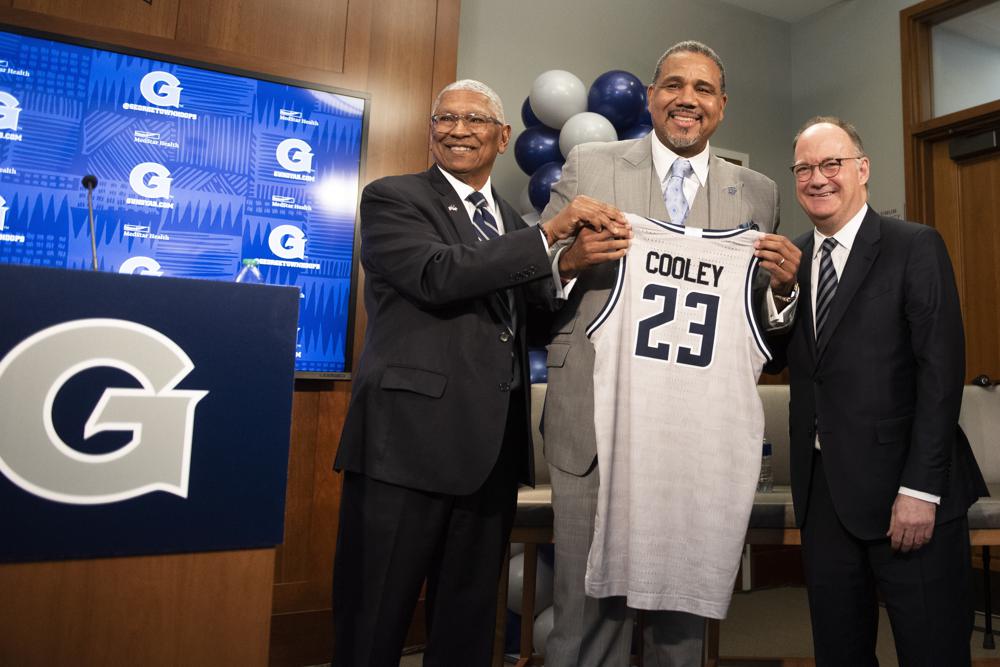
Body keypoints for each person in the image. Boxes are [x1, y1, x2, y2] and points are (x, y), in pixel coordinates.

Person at [330, 79, 629, 667]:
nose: (458, 129)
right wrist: (548, 237)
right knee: (373, 619)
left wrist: (564, 265)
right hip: (403, 450)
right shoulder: (393, 197)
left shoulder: (511, 223)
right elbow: (439, 274)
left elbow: (525, 317)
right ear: (431, 130)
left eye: (473, 120)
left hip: (490, 456)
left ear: (503, 137)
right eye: (445, 119)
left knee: (467, 628)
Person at [540, 41, 800, 666]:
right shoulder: (590, 163)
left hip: (696, 435)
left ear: (722, 106)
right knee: (584, 620)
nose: (688, 100)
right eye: (674, 85)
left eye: (704, 89)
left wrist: (786, 292)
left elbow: (756, 315)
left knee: (681, 625)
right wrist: (570, 261)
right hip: (599, 425)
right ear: (652, 95)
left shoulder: (757, 192)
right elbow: (532, 275)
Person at [768, 116, 987, 665]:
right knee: (839, 653)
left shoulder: (914, 246)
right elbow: (775, 360)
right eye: (804, 168)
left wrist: (921, 489)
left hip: (908, 500)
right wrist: (778, 298)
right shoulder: (790, 260)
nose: (818, 178)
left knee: (932, 651)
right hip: (824, 500)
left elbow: (941, 373)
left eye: (831, 164)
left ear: (862, 170)